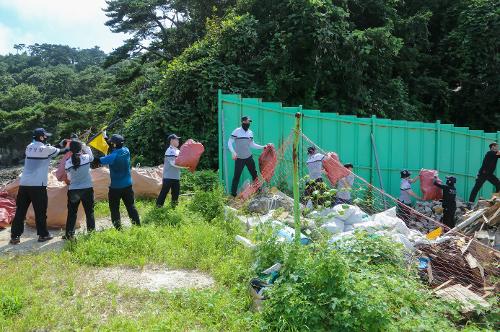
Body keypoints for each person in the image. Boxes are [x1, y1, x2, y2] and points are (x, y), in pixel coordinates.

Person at [10, 128, 68, 244]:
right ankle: (43, 235)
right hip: (38, 185)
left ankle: (15, 236)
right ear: (41, 137)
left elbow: (44, 149)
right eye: (45, 136)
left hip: (24, 184)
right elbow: (63, 151)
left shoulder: (29, 147)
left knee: (20, 211)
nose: (46, 137)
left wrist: (59, 144)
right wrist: (74, 144)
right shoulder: (47, 149)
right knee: (40, 211)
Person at [99, 134, 140, 229]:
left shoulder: (112, 156)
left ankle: (118, 229)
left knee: (114, 209)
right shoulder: (126, 151)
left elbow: (98, 160)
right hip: (128, 185)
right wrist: (106, 138)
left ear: (114, 144)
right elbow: (113, 148)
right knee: (131, 206)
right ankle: (137, 226)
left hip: (116, 187)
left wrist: (86, 150)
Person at [228, 116, 270, 197]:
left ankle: (258, 191)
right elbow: (229, 142)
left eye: (249, 122)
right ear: (243, 122)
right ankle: (233, 195)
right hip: (239, 158)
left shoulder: (250, 132)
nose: (248, 124)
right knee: (236, 176)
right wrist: (233, 152)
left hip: (248, 157)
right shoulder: (236, 131)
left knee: (254, 174)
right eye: (247, 122)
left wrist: (262, 147)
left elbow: (252, 144)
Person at [63, 140, 95, 240]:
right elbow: (91, 155)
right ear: (80, 148)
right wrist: (85, 146)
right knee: (89, 212)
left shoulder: (67, 162)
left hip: (74, 190)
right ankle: (91, 233)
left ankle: (69, 234)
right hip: (87, 189)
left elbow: (69, 178)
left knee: (72, 213)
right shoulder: (86, 158)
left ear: (71, 150)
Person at [156, 134, 188, 208]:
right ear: (171, 140)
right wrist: (185, 167)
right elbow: (173, 163)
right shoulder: (169, 150)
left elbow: (182, 161)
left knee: (175, 194)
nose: (178, 141)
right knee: (164, 193)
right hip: (168, 177)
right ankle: (158, 208)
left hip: (176, 177)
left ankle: (173, 209)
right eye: (176, 139)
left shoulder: (177, 151)